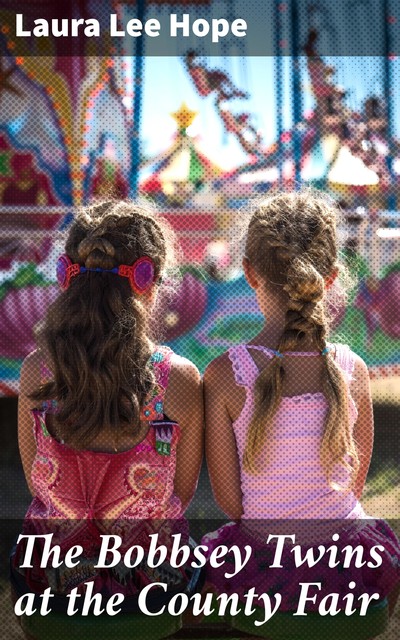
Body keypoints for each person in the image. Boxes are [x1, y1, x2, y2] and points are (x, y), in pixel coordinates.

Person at [203, 190, 399, 635]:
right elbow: (351, 486)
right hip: (346, 567)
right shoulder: (354, 370)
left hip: (261, 568)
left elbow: (232, 504)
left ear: (250, 273)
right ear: (331, 278)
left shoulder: (223, 376)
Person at [13, 200, 203, 636]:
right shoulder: (177, 380)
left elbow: (36, 483)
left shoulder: (37, 373)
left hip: (55, 589)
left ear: (68, 277)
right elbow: (183, 493)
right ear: (148, 281)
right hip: (148, 590)